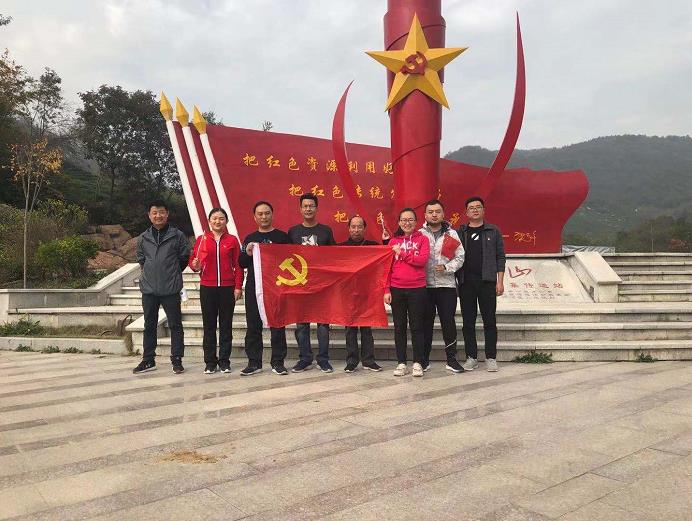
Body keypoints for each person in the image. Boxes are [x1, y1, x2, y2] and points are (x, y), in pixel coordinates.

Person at [133, 200, 190, 374]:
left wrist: (171, 273)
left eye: (162, 212)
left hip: (171, 288)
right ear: (149, 215)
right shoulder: (143, 238)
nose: (158, 216)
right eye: (155, 213)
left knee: (175, 325)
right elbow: (142, 260)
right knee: (149, 325)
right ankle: (148, 359)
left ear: (167, 214)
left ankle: (177, 359)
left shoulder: (177, 235)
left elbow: (183, 258)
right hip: (149, 289)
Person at [238, 201, 291, 376]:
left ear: (272, 215)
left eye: (267, 213)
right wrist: (248, 252)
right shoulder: (249, 238)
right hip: (254, 287)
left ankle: (278, 362)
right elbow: (241, 262)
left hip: (277, 287)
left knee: (278, 324)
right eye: (260, 214)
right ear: (254, 217)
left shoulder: (282, 237)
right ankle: (254, 362)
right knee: (253, 325)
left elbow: (293, 259)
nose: (264, 217)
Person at [189, 208, 243, 374]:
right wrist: (195, 266)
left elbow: (238, 265)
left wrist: (238, 286)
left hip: (227, 288)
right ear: (209, 221)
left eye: (221, 218)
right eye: (214, 218)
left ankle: (224, 361)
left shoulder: (232, 240)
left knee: (226, 325)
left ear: (226, 221)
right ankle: (210, 362)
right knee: (209, 326)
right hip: (208, 288)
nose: (218, 221)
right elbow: (194, 262)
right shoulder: (202, 239)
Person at [288, 193, 337, 373]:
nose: (308, 209)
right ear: (300, 209)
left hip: (322, 284)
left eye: (311, 206)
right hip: (300, 283)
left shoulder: (326, 231)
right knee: (302, 324)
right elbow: (286, 256)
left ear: (316, 208)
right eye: (305, 206)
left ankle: (323, 359)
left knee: (323, 324)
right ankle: (305, 359)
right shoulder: (293, 232)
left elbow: (335, 256)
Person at [457, 196, 506, 372]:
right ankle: (471, 357)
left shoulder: (493, 231)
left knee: (489, 320)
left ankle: (491, 357)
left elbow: (500, 257)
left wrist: (500, 281)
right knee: (468, 322)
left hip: (487, 282)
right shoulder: (460, 232)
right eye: (471, 208)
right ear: (466, 212)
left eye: (478, 207)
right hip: (466, 283)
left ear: (483, 210)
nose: (475, 210)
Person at [420, 199, 465, 373]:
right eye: (430, 212)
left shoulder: (451, 234)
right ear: (425, 215)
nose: (434, 214)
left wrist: (447, 268)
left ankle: (451, 359)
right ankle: (424, 359)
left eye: (437, 211)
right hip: (425, 286)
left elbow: (460, 257)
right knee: (425, 324)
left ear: (443, 214)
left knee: (448, 323)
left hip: (446, 286)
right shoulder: (419, 234)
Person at [384, 208, 430, 377]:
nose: (407, 223)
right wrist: (386, 290)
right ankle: (401, 362)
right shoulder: (392, 242)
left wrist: (402, 253)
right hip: (397, 289)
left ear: (416, 222)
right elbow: (387, 268)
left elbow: (422, 261)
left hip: (417, 289)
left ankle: (418, 362)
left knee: (417, 327)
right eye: (403, 220)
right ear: (399, 222)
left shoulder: (423, 239)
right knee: (399, 327)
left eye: (410, 220)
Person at [339, 215, 383, 373]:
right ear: (349, 229)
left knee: (366, 328)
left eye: (359, 227)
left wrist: (386, 241)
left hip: (367, 293)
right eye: (353, 227)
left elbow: (386, 256)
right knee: (350, 329)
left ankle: (368, 360)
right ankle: (351, 361)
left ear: (364, 229)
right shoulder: (340, 248)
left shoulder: (373, 246)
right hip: (348, 294)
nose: (356, 230)